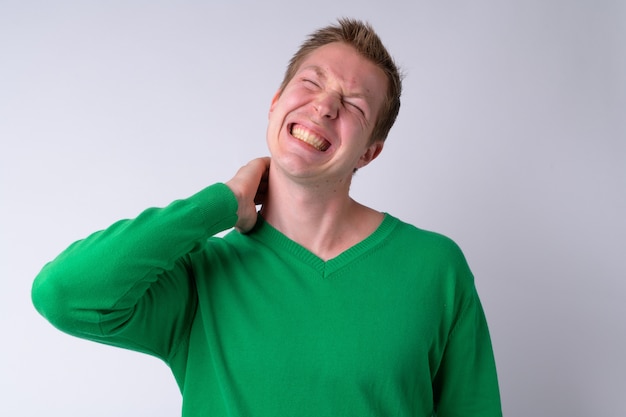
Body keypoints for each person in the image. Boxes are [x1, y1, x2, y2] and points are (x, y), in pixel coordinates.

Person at [32, 18, 502, 416]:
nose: (325, 106)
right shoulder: (202, 275)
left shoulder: (435, 269)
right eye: (312, 83)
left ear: (370, 153)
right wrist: (219, 203)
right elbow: (62, 293)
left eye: (354, 105)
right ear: (276, 102)